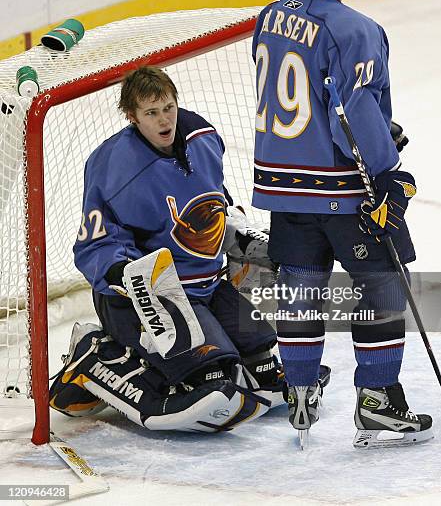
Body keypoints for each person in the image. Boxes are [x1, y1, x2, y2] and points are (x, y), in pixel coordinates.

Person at [251, 0, 433, 448]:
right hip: (341, 190)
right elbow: (350, 114)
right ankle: (377, 402)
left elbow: (300, 93)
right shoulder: (355, 29)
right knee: (378, 287)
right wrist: (387, 177)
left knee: (301, 291)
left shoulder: (269, 17)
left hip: (283, 190)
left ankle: (301, 390)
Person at [49, 66, 284, 432]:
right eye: (151, 113)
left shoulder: (203, 139)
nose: (164, 121)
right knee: (209, 371)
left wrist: (244, 236)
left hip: (207, 284)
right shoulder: (114, 164)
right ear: (132, 116)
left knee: (260, 353)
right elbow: (94, 242)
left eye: (168, 108)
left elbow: (217, 202)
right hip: (147, 297)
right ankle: (95, 355)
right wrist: (123, 275)